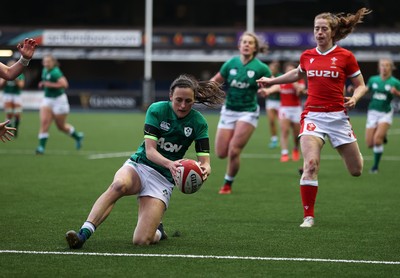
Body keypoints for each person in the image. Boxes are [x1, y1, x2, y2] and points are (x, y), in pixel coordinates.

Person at [65, 75, 225, 248]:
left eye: (188, 101)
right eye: (179, 100)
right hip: (140, 166)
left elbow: (206, 162)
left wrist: (204, 170)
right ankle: (82, 234)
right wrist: (171, 164)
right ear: (170, 95)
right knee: (118, 185)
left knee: (141, 241)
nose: (183, 105)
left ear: (194, 100)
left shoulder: (199, 122)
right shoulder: (157, 110)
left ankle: (158, 231)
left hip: (163, 180)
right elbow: (150, 151)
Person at [257, 8, 372, 228]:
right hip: (313, 115)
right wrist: (272, 82)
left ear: (332, 31)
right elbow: (297, 74)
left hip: (338, 117)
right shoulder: (307, 55)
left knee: (356, 170)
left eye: (323, 29)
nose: (319, 32)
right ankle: (308, 216)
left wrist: (355, 98)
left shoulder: (345, 57)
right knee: (310, 165)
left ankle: (349, 150)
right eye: (316, 28)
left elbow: (361, 86)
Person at [211, 31, 272, 195]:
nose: (246, 44)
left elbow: (276, 84)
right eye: (243, 42)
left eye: (250, 43)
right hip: (229, 110)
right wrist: (205, 91)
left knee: (234, 150)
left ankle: (227, 184)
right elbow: (215, 81)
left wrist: (268, 90)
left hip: (248, 112)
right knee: (221, 153)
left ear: (255, 48)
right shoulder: (231, 63)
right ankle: (228, 178)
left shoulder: (260, 67)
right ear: (239, 46)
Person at [36, 54, 84, 154]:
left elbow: (65, 84)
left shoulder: (55, 72)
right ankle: (41, 147)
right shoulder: (45, 70)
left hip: (59, 100)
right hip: (47, 99)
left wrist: (48, 84)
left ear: (53, 62)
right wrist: (43, 84)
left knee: (60, 126)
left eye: (48, 62)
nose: (46, 63)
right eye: (44, 61)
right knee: (45, 122)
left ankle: (77, 136)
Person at [259, 61, 306, 162]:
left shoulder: (300, 81)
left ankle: (295, 149)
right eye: (287, 70)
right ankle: (284, 153)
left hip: (296, 109)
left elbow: (300, 91)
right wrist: (267, 91)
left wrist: (294, 81)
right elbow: (276, 87)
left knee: (296, 134)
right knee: (284, 131)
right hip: (284, 109)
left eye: (291, 70)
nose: (289, 71)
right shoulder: (282, 81)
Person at [364, 58, 400, 173]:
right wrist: (354, 91)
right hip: (372, 112)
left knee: (377, 141)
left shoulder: (395, 82)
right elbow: (365, 90)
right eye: (382, 65)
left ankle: (375, 167)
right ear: (379, 67)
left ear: (391, 68)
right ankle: (383, 136)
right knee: (370, 143)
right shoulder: (373, 79)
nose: (384, 68)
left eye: (387, 65)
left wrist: (397, 93)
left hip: (385, 113)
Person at [0, 60, 25, 137]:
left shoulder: (20, 75)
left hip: (16, 95)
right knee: (9, 113)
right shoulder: (4, 74)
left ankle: (16, 128)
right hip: (8, 94)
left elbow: (21, 86)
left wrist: (15, 78)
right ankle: (8, 129)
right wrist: (5, 78)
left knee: (17, 114)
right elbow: (0, 85)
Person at [265, 60, 282, 148]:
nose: (271, 70)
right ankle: (274, 139)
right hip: (270, 101)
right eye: (270, 69)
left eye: (272, 69)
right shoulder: (267, 77)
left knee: (281, 123)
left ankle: (284, 138)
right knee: (271, 121)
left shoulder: (281, 77)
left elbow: (281, 88)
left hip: (280, 102)